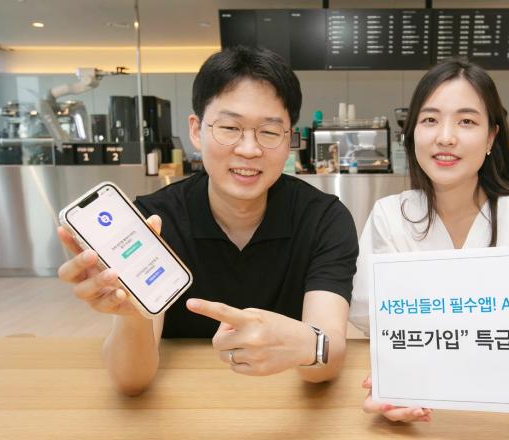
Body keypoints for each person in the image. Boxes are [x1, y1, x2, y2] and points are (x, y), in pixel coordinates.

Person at [57, 46, 358, 395]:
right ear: (196, 130)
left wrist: (309, 344)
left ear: (290, 138)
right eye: (229, 127)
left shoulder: (324, 220)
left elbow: (325, 363)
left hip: (282, 395)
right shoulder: (154, 221)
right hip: (184, 401)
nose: (249, 149)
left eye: (269, 131)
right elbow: (131, 381)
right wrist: (134, 317)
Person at [348, 57, 509, 439]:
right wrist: (398, 384)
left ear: (491, 138)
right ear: (412, 132)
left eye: (467, 121)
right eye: (430, 119)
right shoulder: (392, 215)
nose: (445, 137)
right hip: (433, 414)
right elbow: (373, 318)